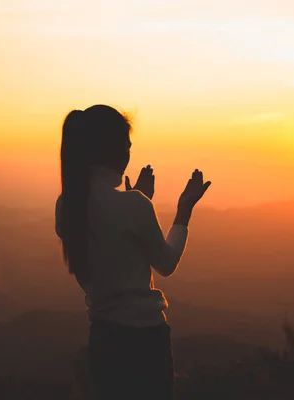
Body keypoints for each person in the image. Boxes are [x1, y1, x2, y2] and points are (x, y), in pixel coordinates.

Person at [54, 104, 211, 399]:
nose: (128, 155)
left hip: (102, 339)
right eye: (126, 147)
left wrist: (135, 200)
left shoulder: (67, 206)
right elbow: (165, 264)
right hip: (145, 340)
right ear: (112, 150)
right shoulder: (134, 205)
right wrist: (183, 211)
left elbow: (110, 240)